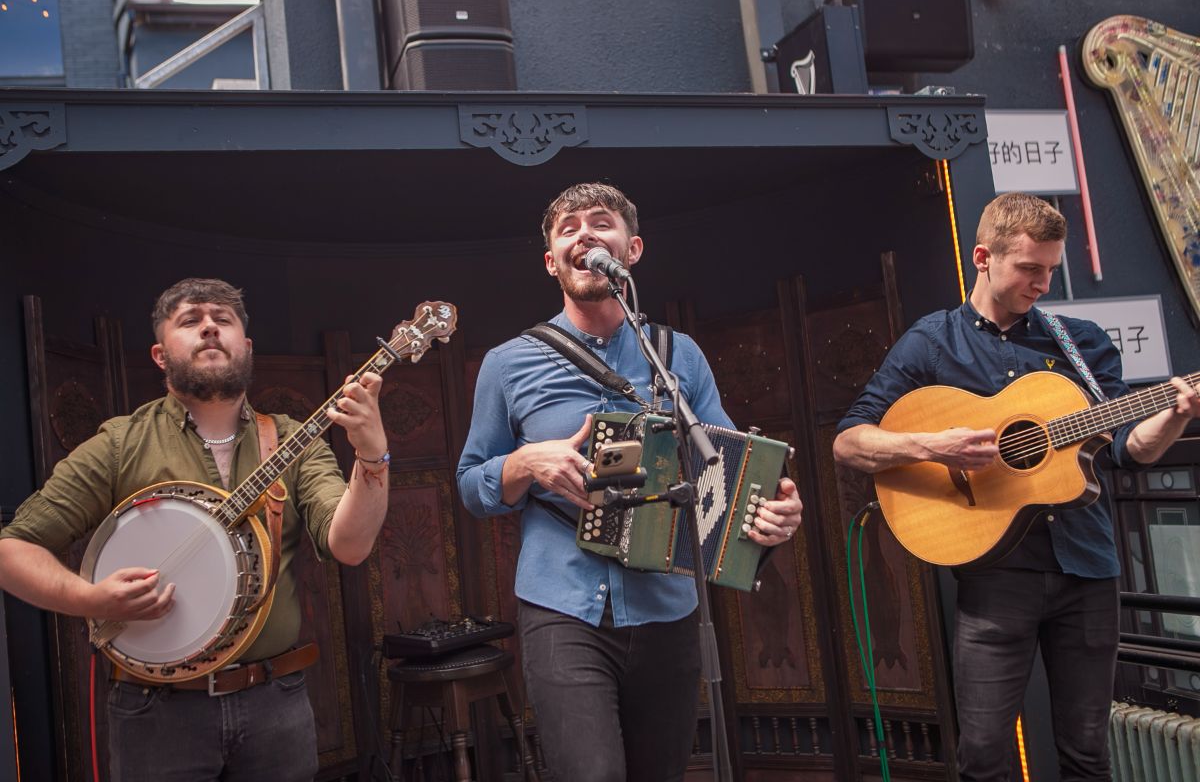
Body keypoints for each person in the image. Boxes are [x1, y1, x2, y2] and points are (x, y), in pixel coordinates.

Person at [832, 192, 1200, 781]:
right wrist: (934, 446)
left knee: (1087, 754)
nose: (1043, 283)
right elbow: (849, 442)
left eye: (1051, 269)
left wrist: (1178, 412)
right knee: (982, 755)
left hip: (1087, 570)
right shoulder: (932, 343)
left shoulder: (1079, 345)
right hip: (995, 579)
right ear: (983, 256)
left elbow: (1130, 450)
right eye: (1030, 268)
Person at [456, 182, 804, 782]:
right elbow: (469, 483)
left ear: (632, 249)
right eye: (568, 228)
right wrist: (523, 464)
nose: (584, 234)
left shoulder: (679, 354)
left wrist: (772, 514)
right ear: (550, 261)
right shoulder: (508, 362)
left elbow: (727, 468)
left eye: (600, 223)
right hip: (563, 605)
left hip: (667, 610)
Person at [0, 278, 391, 781]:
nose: (209, 326)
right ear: (161, 355)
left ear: (245, 347)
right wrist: (89, 600)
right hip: (156, 714)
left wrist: (371, 454)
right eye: (190, 320)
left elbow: (351, 545)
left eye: (223, 319)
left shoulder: (295, 440)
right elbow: (11, 549)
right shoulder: (121, 444)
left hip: (276, 703)